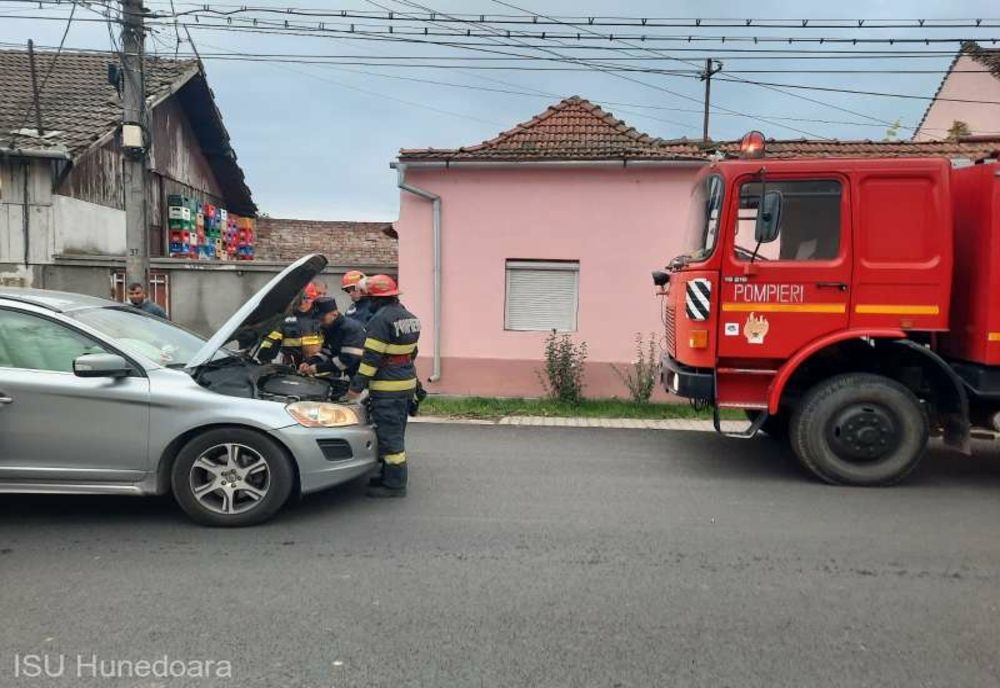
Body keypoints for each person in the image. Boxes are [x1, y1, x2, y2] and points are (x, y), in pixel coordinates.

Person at [347, 274, 420, 498]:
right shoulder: (410, 317)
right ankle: (389, 475)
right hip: (406, 383)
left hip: (388, 387)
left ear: (376, 298)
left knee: (390, 437)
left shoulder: (380, 320)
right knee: (395, 432)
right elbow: (412, 353)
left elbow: (371, 359)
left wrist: (356, 387)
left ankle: (395, 485)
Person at [298, 297, 366, 393]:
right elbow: (326, 351)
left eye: (322, 318)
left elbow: (348, 359)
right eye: (317, 318)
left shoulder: (351, 329)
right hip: (348, 377)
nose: (320, 322)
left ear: (334, 314)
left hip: (362, 379)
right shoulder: (330, 327)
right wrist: (309, 362)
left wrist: (318, 368)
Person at [258, 283, 323, 367]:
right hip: (292, 368)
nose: (304, 303)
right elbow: (270, 342)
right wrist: (264, 357)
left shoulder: (321, 317)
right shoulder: (285, 320)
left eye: (308, 298)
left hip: (318, 368)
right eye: (301, 299)